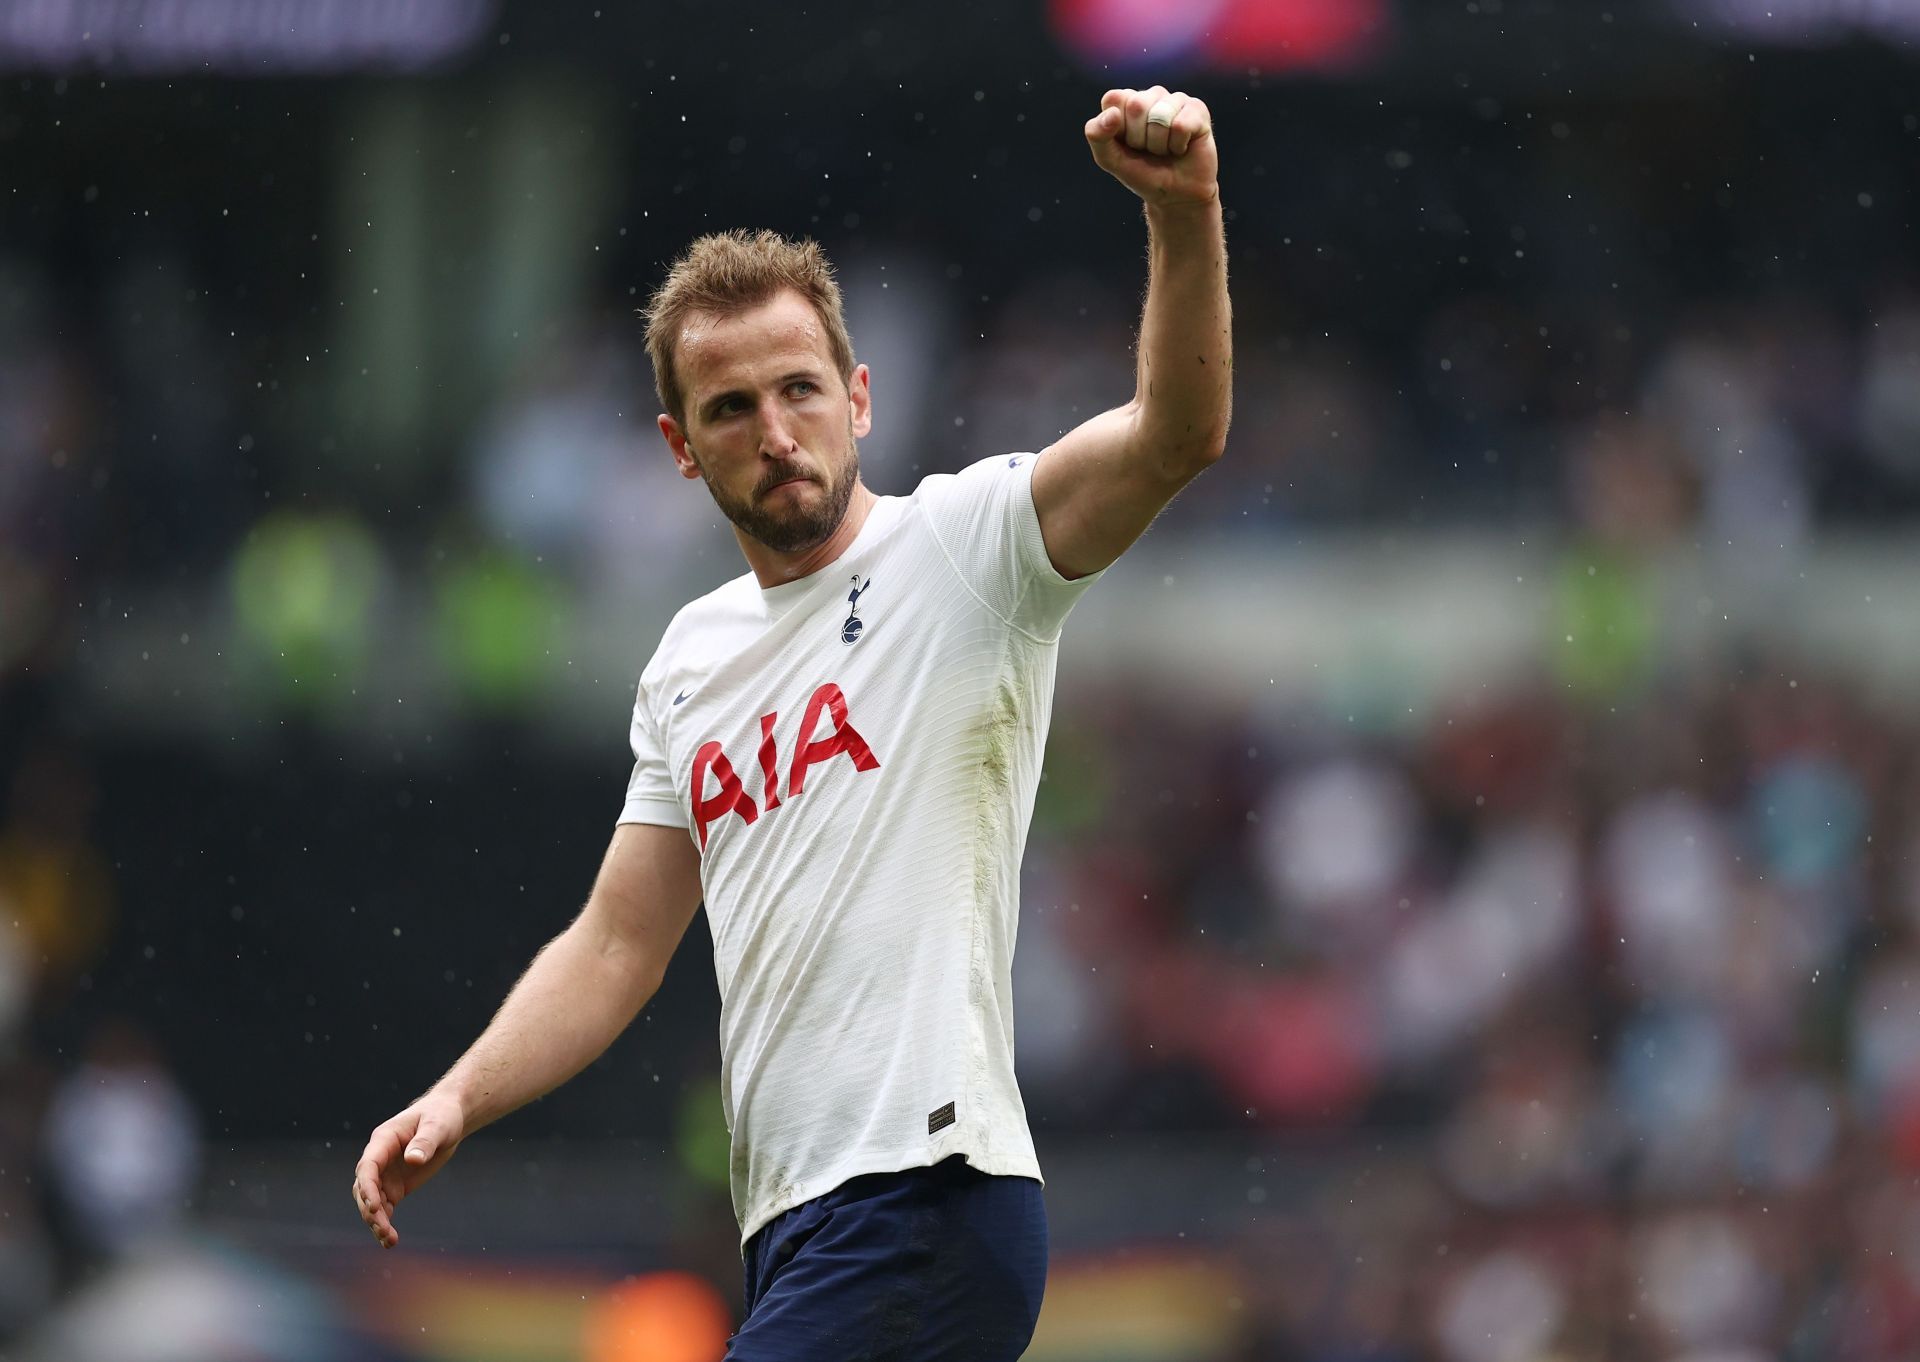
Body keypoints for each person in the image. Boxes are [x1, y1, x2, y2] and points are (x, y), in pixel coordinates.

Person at [353, 84, 1230, 1360]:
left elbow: (1180, 434)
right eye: (730, 409)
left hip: (928, 1189)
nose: (776, 432)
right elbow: (615, 944)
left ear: (860, 399)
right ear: (678, 445)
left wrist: (1186, 213)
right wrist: (457, 1097)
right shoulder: (690, 662)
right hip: (793, 1227)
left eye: (800, 390)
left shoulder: (967, 546)